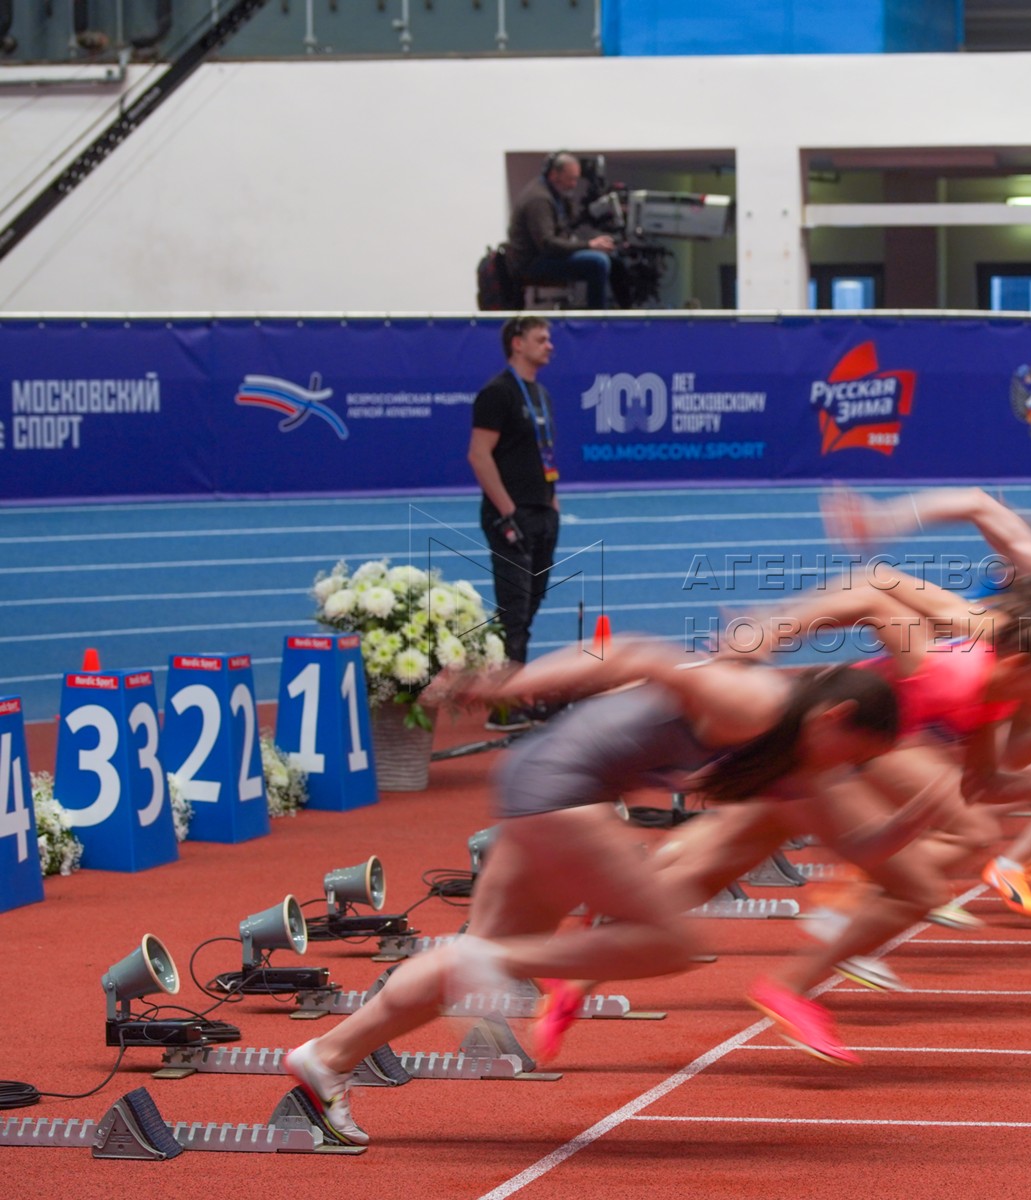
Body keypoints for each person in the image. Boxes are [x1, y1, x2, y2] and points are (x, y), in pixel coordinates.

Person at [283, 643, 900, 1142]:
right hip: (561, 785)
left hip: (550, 787)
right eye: (858, 758)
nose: (852, 773)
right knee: (669, 944)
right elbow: (632, 654)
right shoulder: (755, 700)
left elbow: (868, 849)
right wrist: (509, 683)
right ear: (835, 719)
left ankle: (330, 1057)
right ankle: (487, 962)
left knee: (477, 961)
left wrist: (941, 809)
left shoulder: (797, 757)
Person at [469, 316, 562, 731]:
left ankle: (509, 690)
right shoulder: (498, 393)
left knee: (529, 608)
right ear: (517, 343)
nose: (550, 345)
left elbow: (544, 456)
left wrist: (552, 504)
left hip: (542, 513)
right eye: (542, 339)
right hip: (511, 515)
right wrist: (507, 511)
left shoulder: (540, 394)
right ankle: (502, 708)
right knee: (514, 611)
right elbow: (479, 455)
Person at [504, 152, 616, 308]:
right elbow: (547, 243)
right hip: (532, 263)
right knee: (598, 262)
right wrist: (589, 245)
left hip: (545, 256)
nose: (574, 184)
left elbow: (566, 227)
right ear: (554, 175)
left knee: (613, 258)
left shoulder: (555, 195)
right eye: (571, 179)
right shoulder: (539, 199)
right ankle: (596, 318)